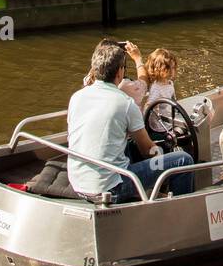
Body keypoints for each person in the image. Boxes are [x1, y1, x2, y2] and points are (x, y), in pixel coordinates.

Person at [68, 40, 194, 202]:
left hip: (77, 181)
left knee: (126, 146)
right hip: (112, 188)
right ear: (120, 72)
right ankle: (180, 211)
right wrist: (164, 153)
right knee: (184, 160)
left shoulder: (77, 97)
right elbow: (147, 150)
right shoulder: (125, 103)